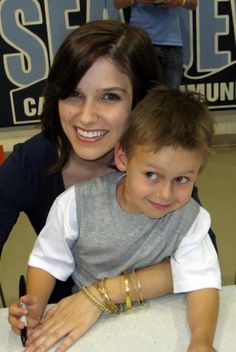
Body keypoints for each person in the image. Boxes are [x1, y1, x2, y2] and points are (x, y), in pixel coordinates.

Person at [6, 19, 216, 351]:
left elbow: (200, 264)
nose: (86, 117)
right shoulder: (34, 164)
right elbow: (47, 260)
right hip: (69, 328)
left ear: (140, 104)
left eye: (110, 96)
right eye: (73, 93)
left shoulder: (166, 170)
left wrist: (101, 295)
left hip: (156, 320)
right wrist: (33, 307)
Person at [113, 0, 198, 88]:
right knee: (141, 94)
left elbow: (194, 4)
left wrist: (181, 2)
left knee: (170, 96)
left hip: (172, 44)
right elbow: (117, 3)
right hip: (142, 42)